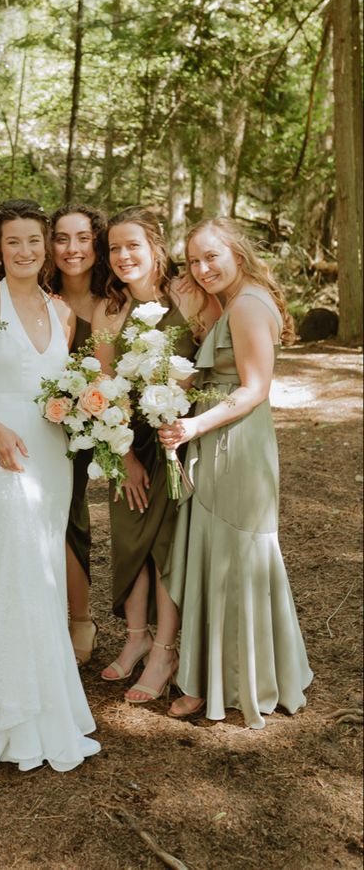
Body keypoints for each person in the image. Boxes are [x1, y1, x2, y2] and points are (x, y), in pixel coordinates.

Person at [0, 199, 101, 773]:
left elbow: (68, 384)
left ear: (46, 246)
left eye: (35, 241)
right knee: (11, 560)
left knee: (45, 566)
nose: (26, 251)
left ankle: (49, 701)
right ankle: (2, 705)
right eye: (14, 243)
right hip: (1, 447)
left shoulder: (63, 313)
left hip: (51, 451)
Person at [159, 218, 313, 727]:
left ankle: (237, 682)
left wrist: (193, 425)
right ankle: (212, 677)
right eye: (193, 261)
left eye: (211, 257)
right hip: (220, 436)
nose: (202, 269)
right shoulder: (232, 300)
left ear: (237, 253)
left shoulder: (247, 306)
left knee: (234, 558)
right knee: (218, 556)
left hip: (236, 443)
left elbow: (254, 388)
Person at [92, 206, 219, 705]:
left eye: (133, 246)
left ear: (156, 248)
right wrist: (123, 457)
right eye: (115, 248)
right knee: (129, 544)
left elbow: (211, 366)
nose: (123, 256)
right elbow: (104, 384)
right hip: (130, 441)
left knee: (167, 548)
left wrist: (182, 404)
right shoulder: (109, 310)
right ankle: (136, 636)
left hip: (180, 440)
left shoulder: (189, 296)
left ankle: (166, 650)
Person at [49, 204, 106, 666]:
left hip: (88, 424)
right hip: (35, 420)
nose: (72, 249)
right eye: (62, 238)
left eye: (82, 238)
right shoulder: (39, 295)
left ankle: (81, 617)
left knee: (72, 513)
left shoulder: (113, 299)